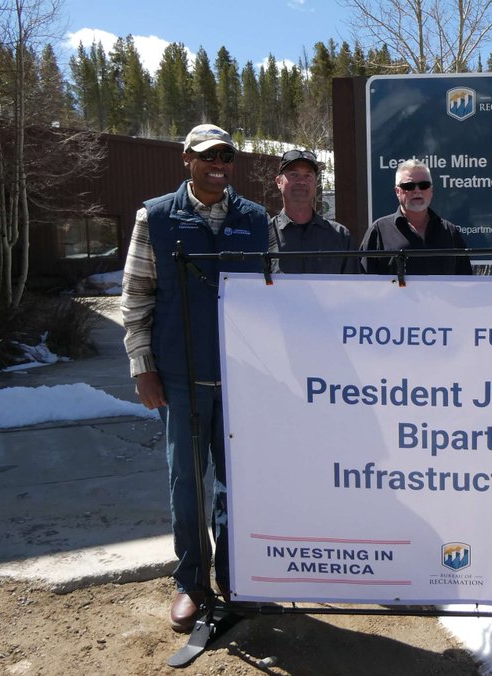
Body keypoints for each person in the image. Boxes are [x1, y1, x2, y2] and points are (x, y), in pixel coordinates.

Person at [120, 124, 269, 633]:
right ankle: (191, 583)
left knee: (239, 485)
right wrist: (143, 367)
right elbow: (136, 296)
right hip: (181, 379)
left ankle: (235, 576)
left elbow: (273, 300)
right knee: (188, 483)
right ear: (186, 158)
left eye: (226, 156)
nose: (218, 163)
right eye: (207, 155)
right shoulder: (156, 216)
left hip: (242, 381)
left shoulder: (254, 219)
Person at [360, 158, 472, 275]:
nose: (417, 190)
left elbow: (465, 283)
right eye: (409, 186)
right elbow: (365, 285)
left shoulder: (450, 233)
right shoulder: (379, 232)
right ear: (397, 191)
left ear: (431, 190)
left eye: (424, 185)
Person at [269, 149, 358, 273]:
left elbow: (353, 288)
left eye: (308, 175)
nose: (301, 181)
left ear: (315, 183)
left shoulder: (341, 237)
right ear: (279, 182)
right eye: (294, 174)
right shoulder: (264, 235)